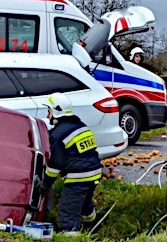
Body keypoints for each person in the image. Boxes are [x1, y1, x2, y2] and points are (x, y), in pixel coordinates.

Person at [40, 93, 101, 235]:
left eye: (48, 111)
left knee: (67, 212)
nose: (47, 115)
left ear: (55, 111)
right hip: (94, 174)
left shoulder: (58, 135)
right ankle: (92, 227)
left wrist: (45, 184)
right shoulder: (80, 126)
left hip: (78, 178)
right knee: (84, 204)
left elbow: (54, 166)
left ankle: (72, 236)